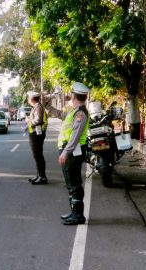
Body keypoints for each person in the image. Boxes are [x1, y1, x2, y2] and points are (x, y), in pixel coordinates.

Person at [58, 82, 90, 225]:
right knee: (71, 182)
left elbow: (75, 136)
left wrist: (65, 152)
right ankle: (74, 212)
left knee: (74, 183)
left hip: (73, 152)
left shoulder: (80, 113)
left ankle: (78, 215)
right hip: (71, 151)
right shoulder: (75, 111)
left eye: (71, 94)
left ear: (74, 96)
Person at [25, 91, 48, 185]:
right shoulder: (37, 107)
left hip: (37, 134)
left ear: (32, 99)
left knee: (38, 155)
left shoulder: (38, 107)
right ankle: (39, 175)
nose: (28, 100)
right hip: (35, 133)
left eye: (28, 98)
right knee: (37, 155)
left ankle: (42, 177)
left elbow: (37, 120)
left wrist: (28, 120)